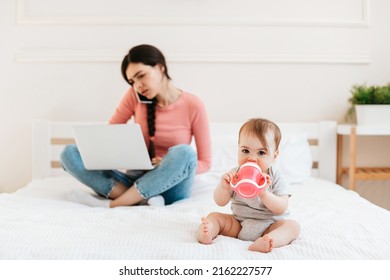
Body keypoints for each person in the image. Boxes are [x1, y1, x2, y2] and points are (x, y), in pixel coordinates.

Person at [60, 44, 211, 208]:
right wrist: (118, 154)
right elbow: (108, 135)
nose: (138, 85)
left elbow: (205, 162)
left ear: (160, 68)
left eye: (141, 76)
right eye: (132, 81)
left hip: (170, 186)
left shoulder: (193, 105)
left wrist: (166, 165)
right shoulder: (134, 96)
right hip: (134, 180)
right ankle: (140, 199)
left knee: (186, 153)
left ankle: (113, 204)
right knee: (69, 153)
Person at [196, 118, 300, 253]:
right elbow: (220, 202)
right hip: (239, 224)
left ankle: (268, 240)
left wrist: (264, 193)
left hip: (269, 224)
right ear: (238, 148)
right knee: (214, 216)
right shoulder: (235, 174)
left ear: (274, 156)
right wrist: (224, 188)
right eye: (245, 151)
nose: (252, 158)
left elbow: (281, 207)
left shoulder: (275, 177)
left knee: (293, 226)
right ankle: (207, 232)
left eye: (261, 153)